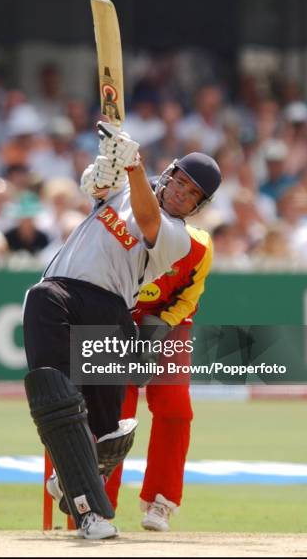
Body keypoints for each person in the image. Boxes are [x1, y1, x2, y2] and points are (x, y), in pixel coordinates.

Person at [22, 121, 221, 539]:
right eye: (179, 183)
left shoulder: (178, 238)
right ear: (168, 175)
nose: (181, 194)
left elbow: (148, 219)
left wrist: (130, 167)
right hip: (59, 288)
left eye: (191, 195)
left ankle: (89, 498)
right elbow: (94, 186)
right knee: (56, 392)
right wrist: (107, 168)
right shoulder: (124, 190)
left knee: (110, 428)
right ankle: (77, 482)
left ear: (197, 206)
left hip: (112, 310)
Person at [104, 214, 213, 531]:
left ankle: (161, 501)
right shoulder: (120, 233)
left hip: (168, 323)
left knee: (175, 407)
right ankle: (96, 503)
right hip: (113, 320)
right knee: (110, 410)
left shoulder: (198, 244)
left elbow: (190, 297)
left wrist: (159, 327)